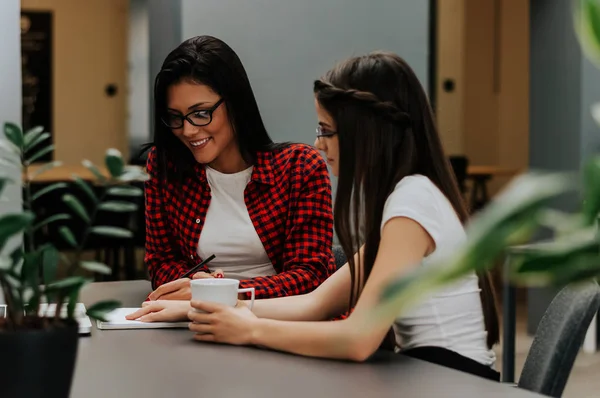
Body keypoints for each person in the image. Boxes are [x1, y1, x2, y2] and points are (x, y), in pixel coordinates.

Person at [128, 51, 501, 381]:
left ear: (364, 131)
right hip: (425, 373)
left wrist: (249, 330)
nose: (318, 144)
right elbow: (317, 301)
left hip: (452, 380)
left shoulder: (413, 202)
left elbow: (358, 338)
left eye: (326, 130)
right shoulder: (406, 199)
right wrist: (227, 305)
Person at [143, 35, 336, 301]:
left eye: (201, 113)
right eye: (176, 117)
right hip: (193, 320)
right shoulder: (165, 166)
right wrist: (194, 284)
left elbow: (310, 275)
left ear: (235, 103)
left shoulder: (300, 168)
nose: (187, 130)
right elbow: (160, 261)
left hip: (278, 322)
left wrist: (223, 293)